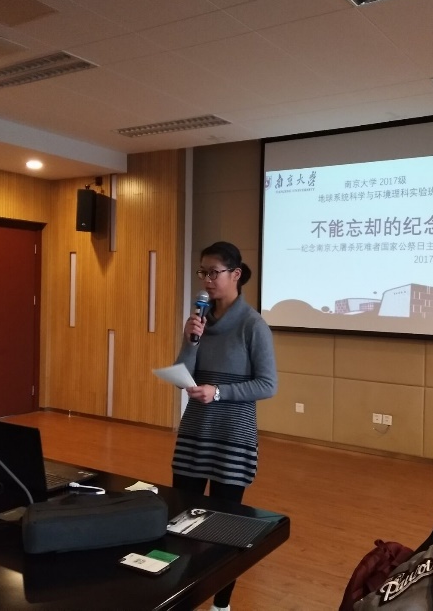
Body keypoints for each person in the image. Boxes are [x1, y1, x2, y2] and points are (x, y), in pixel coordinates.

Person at [172, 241, 277, 611]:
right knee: (179, 517)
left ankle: (221, 604)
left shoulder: (253, 325)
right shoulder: (199, 321)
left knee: (223, 527)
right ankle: (181, 594)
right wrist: (191, 341)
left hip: (233, 437)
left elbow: (268, 385)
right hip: (194, 434)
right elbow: (184, 375)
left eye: (214, 272)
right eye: (202, 272)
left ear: (236, 274)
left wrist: (219, 392)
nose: (207, 280)